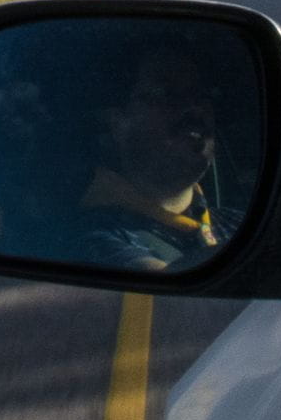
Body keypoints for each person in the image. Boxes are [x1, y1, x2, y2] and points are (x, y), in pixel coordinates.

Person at [73, 47, 230, 271]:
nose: (193, 107)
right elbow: (180, 299)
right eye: (166, 94)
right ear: (117, 123)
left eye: (201, 96)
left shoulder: (241, 225)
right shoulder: (92, 237)